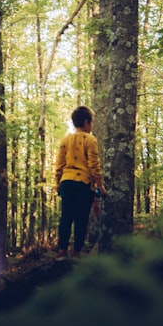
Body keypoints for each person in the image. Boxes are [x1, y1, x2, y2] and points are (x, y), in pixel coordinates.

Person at [54, 105, 107, 258]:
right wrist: (100, 185)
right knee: (81, 218)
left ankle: (62, 250)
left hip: (66, 182)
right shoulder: (90, 139)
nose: (91, 126)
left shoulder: (65, 140)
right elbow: (94, 165)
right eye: (91, 123)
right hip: (83, 183)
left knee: (66, 216)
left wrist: (58, 183)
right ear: (86, 122)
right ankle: (77, 251)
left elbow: (59, 165)